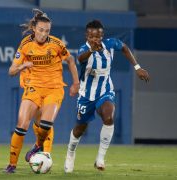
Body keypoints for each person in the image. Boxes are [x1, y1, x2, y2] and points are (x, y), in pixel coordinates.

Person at [64, 20, 150, 173]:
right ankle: (70, 154)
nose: (94, 39)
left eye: (97, 37)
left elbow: (123, 47)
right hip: (86, 95)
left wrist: (137, 67)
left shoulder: (110, 44)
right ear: (86, 36)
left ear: (102, 36)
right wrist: (92, 50)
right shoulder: (84, 49)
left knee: (109, 117)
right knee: (80, 129)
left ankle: (100, 158)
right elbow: (80, 59)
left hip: (105, 90)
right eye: (90, 36)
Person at [5, 9, 79, 173]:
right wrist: (23, 65)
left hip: (54, 89)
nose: (44, 34)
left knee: (45, 124)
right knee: (21, 125)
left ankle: (38, 146)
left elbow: (71, 60)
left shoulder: (56, 44)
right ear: (34, 29)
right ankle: (11, 165)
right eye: (41, 30)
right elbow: (11, 71)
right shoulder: (25, 44)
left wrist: (76, 83)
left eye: (47, 31)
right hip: (33, 88)